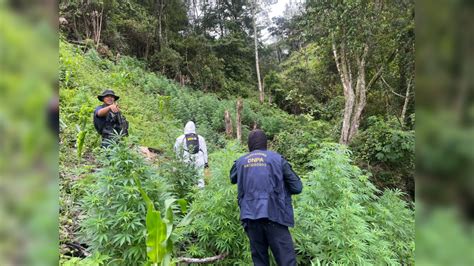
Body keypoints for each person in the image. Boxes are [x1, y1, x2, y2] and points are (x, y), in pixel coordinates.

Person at [230, 129, 302, 266]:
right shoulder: (278, 160)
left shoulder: (240, 162)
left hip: (251, 218)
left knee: (260, 262)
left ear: (249, 145)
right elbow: (297, 187)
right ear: (266, 144)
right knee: (287, 261)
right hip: (275, 217)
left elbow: (232, 178)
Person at [174, 121, 209, 188]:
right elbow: (204, 151)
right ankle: (201, 192)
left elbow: (176, 150)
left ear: (185, 128)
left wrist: (178, 160)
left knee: (187, 175)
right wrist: (206, 162)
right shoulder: (200, 138)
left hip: (186, 159)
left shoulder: (180, 138)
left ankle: (189, 190)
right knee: (200, 177)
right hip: (199, 159)